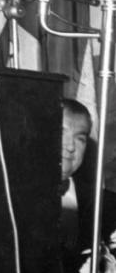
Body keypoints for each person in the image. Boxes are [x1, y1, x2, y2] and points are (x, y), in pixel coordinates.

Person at [59, 99, 116, 272]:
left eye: (80, 138)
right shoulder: (10, 200)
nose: (70, 146)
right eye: (60, 132)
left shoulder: (104, 203)